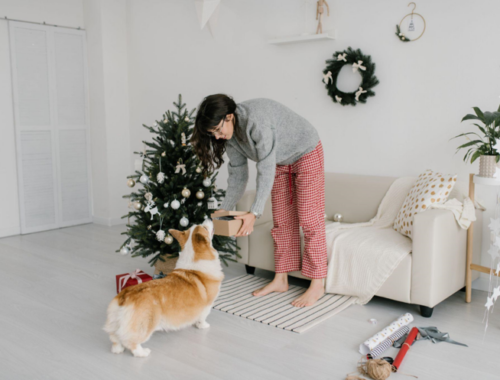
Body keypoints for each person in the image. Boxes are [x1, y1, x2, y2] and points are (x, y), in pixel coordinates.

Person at [191, 94, 327, 307]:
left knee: (310, 219)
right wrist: (223, 211)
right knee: (282, 221)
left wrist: (254, 213)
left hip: (306, 151)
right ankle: (281, 280)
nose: (217, 137)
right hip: (280, 160)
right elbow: (238, 174)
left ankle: (317, 284)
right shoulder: (230, 138)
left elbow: (265, 168)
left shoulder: (256, 121)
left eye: (218, 130)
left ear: (229, 117)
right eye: (212, 133)